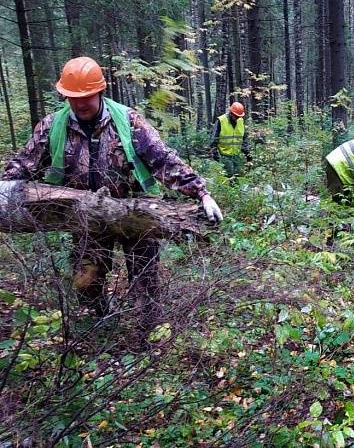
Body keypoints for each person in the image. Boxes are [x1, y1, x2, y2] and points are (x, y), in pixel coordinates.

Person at [0, 56, 223, 329]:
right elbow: (22, 165)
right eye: (73, 97)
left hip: (136, 214)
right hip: (84, 217)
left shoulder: (128, 121)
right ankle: (101, 324)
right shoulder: (52, 127)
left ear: (100, 91)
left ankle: (146, 334)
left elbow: (163, 160)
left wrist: (201, 193)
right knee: (86, 280)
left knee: (145, 279)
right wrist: (6, 190)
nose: (81, 103)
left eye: (87, 96)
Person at [210, 101, 249, 178]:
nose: (237, 118)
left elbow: (244, 138)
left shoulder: (240, 121)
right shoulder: (221, 120)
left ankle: (237, 190)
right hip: (224, 155)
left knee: (239, 176)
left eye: (239, 116)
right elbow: (214, 138)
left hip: (236, 155)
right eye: (236, 116)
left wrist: (247, 151)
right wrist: (214, 152)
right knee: (228, 176)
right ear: (231, 113)